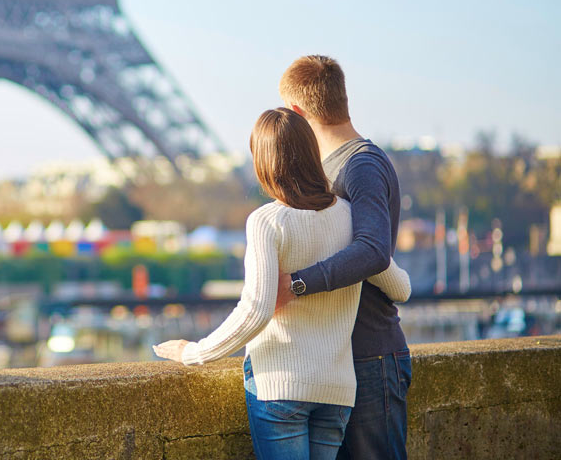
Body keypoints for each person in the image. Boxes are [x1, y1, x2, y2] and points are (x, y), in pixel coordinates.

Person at [154, 107, 410, 460]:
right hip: (336, 392)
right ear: (310, 153)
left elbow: (256, 310)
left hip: (280, 386)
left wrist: (194, 352)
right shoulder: (349, 217)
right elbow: (401, 288)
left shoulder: (266, 221)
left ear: (264, 164)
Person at [274, 55, 411, 460]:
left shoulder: (361, 166)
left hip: (369, 355)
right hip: (341, 359)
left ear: (297, 112)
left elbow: (373, 250)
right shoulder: (334, 167)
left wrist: (297, 283)